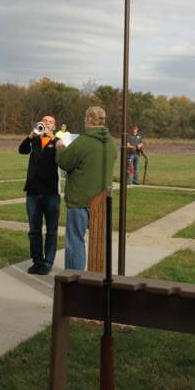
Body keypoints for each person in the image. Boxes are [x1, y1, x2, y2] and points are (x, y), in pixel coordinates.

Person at [55, 106, 117, 270]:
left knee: (75, 241)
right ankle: (97, 277)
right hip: (102, 199)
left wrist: (60, 148)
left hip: (80, 199)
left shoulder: (83, 141)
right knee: (99, 243)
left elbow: (65, 162)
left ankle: (75, 279)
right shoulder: (111, 142)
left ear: (89, 120)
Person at [18, 114, 60, 275]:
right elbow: (22, 150)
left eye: (50, 122)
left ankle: (48, 262)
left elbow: (66, 152)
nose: (47, 124)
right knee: (34, 230)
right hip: (33, 191)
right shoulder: (35, 140)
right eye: (44, 121)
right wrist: (30, 135)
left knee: (51, 230)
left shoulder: (58, 142)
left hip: (51, 192)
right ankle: (37, 261)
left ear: (54, 127)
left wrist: (52, 137)